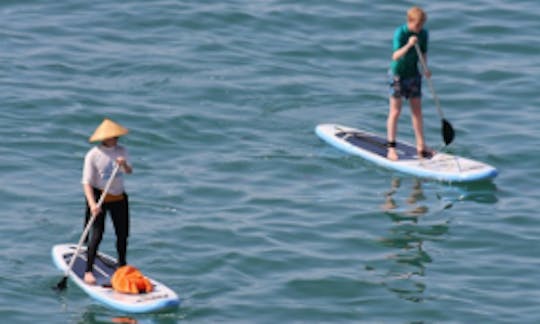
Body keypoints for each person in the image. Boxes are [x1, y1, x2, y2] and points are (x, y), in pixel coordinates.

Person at [82, 118, 133, 285]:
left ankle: (122, 266)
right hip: (99, 197)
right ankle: (88, 270)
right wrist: (92, 204)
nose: (116, 139)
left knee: (122, 234)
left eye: (117, 136)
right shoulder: (93, 155)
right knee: (97, 234)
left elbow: (129, 171)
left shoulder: (122, 150)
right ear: (105, 138)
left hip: (119, 197)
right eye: (113, 136)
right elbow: (86, 182)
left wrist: (124, 164)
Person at [386, 6, 432, 161]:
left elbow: (424, 53)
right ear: (410, 22)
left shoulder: (424, 34)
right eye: (417, 25)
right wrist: (409, 44)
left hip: (414, 75)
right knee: (396, 112)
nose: (420, 29)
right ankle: (391, 148)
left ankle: (421, 146)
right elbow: (395, 56)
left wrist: (425, 68)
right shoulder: (400, 33)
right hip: (398, 75)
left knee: (417, 112)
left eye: (422, 25)